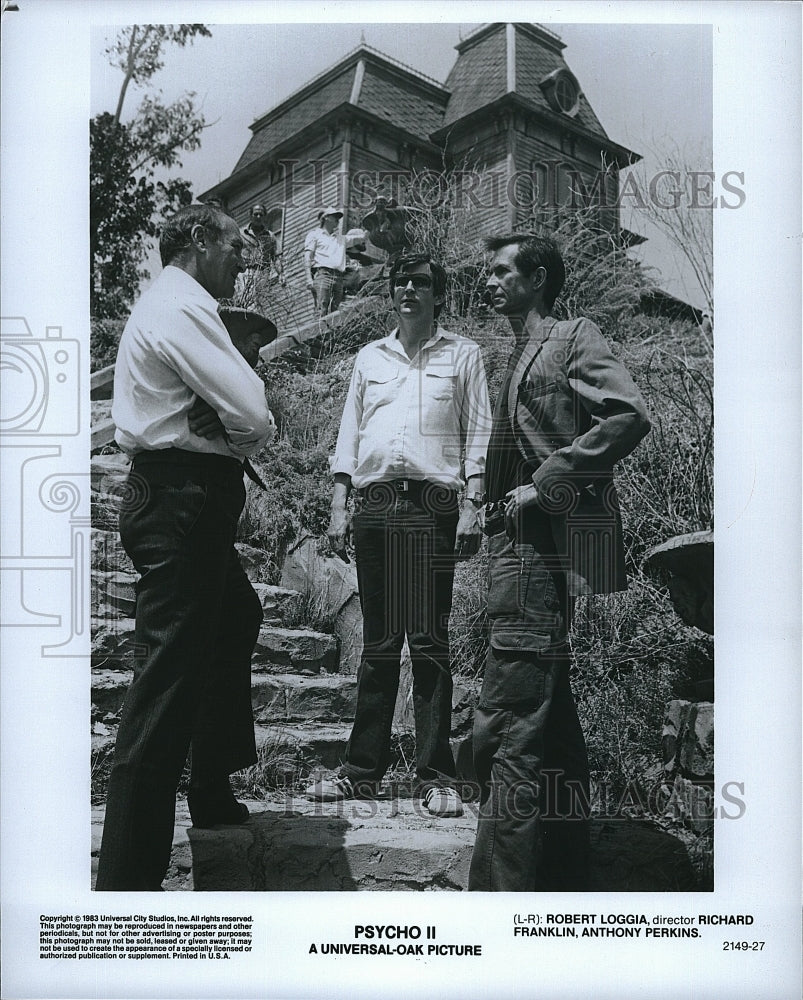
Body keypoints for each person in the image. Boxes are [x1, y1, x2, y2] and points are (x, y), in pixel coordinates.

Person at [96, 204, 276, 891]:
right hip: (180, 501)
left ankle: (210, 782)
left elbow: (242, 409)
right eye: (235, 244)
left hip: (184, 496)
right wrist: (241, 421)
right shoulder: (183, 304)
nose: (243, 257)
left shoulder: (178, 303)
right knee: (163, 688)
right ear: (199, 239)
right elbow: (256, 414)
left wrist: (234, 415)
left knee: (238, 616)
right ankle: (126, 883)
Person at [469, 233, 651, 891]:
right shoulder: (510, 355)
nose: (486, 281)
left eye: (499, 272)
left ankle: (496, 907)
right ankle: (565, 880)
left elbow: (626, 416)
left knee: (511, 723)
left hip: (539, 543)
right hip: (512, 542)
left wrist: (544, 482)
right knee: (551, 721)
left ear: (537, 276)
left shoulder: (573, 335)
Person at [304, 251, 492, 817]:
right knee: (379, 645)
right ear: (390, 292)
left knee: (429, 643)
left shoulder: (464, 355)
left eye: (421, 281)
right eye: (401, 281)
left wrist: (472, 505)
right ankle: (362, 771)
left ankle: (435, 776)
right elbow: (350, 430)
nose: (409, 288)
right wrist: (340, 502)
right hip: (375, 505)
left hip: (433, 505)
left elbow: (478, 430)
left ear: (438, 293)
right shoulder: (370, 357)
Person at [303, 207, 365, 316]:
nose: (338, 219)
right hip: (323, 275)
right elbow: (308, 256)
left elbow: (363, 237)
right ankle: (320, 332)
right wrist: (308, 278)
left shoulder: (341, 238)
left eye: (338, 217)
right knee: (321, 309)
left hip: (339, 278)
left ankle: (333, 333)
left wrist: (378, 222)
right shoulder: (315, 234)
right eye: (334, 216)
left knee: (335, 313)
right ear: (326, 218)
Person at [239, 204, 283, 311]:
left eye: (261, 214)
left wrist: (281, 274)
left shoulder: (270, 236)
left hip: (263, 272)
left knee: (260, 303)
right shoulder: (241, 234)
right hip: (247, 272)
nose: (258, 217)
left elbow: (276, 257)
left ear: (264, 217)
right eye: (256, 214)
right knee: (248, 301)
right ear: (250, 216)